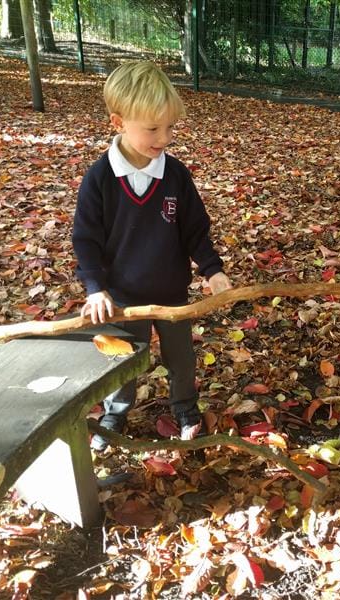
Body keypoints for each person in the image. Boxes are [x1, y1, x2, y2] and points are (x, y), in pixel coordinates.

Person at [72, 61, 231, 451]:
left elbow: (194, 228)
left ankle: (185, 409)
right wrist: (96, 288)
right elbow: (86, 239)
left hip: (170, 294)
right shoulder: (100, 179)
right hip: (122, 299)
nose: (164, 138)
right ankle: (115, 413)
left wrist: (212, 269)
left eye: (170, 128)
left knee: (182, 361)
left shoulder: (175, 175)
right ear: (118, 121)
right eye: (153, 129)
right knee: (123, 362)